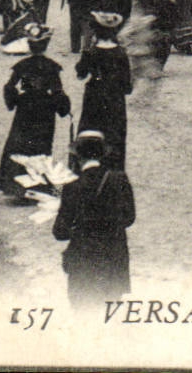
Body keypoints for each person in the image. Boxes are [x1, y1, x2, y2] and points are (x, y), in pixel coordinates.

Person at [53, 130, 136, 309]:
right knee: (110, 314)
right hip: (113, 259)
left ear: (78, 157)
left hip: (83, 262)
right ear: (102, 154)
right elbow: (129, 218)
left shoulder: (72, 186)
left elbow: (59, 232)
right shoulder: (119, 179)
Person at [0, 24, 72, 198]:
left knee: (20, 145)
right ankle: (39, 186)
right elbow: (58, 91)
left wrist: (15, 101)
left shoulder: (21, 65)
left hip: (25, 108)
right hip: (45, 110)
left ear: (29, 45)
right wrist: (62, 107)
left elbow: (9, 87)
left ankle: (18, 187)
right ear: (46, 45)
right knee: (42, 146)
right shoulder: (52, 67)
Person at [77, 12, 134, 169]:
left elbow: (81, 74)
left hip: (94, 95)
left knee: (91, 131)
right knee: (115, 134)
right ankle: (114, 170)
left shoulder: (91, 52)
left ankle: (90, 168)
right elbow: (128, 86)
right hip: (115, 98)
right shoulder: (121, 53)